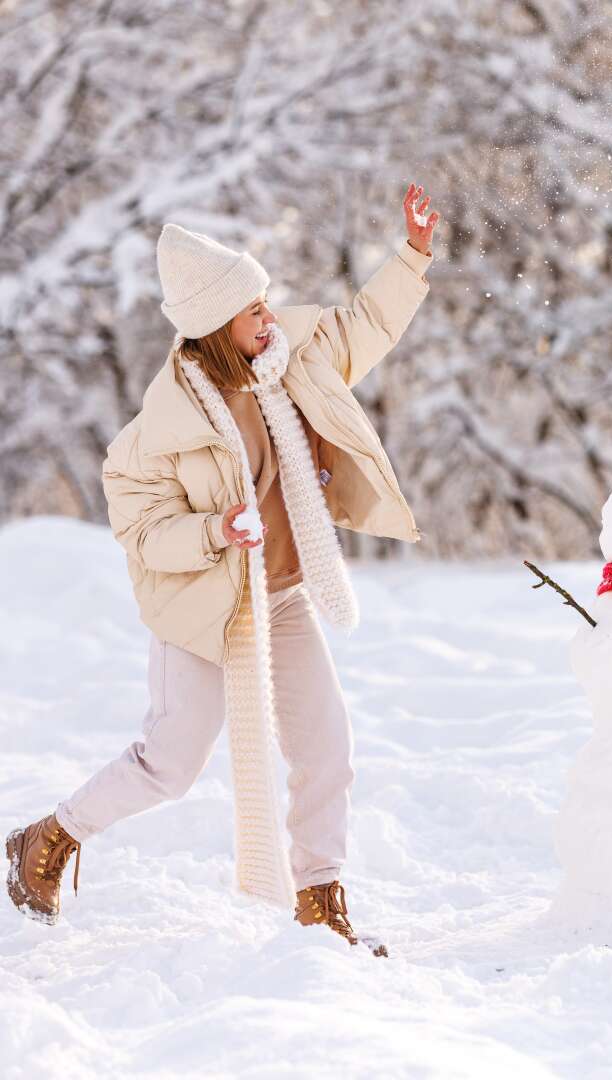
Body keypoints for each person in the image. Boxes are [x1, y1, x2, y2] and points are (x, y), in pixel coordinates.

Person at [5, 185, 441, 956]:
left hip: (281, 597)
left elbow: (367, 324)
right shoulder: (158, 430)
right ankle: (48, 837)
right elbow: (141, 532)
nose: (270, 318)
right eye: (253, 311)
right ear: (214, 328)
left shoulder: (294, 362)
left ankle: (319, 903)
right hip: (204, 610)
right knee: (170, 765)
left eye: (267, 302)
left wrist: (412, 254)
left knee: (326, 748)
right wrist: (213, 529)